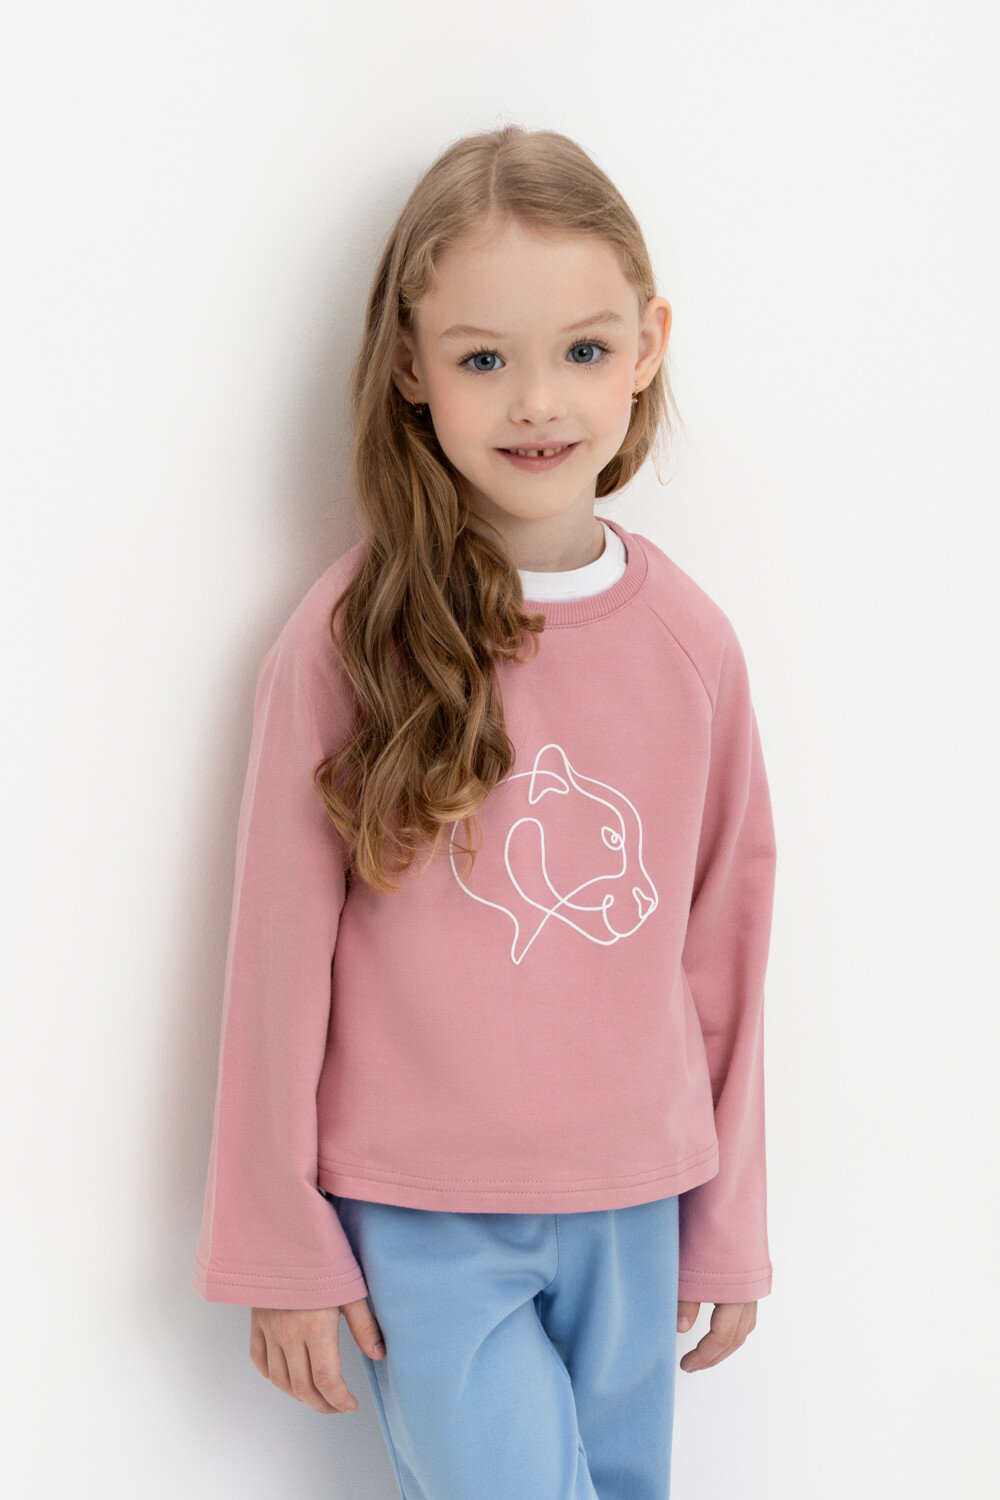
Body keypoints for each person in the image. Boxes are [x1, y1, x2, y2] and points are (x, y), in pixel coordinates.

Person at [191, 123, 778, 1500]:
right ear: (410, 365)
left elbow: (727, 948)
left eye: (582, 349)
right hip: (423, 1215)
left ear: (648, 346)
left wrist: (728, 1218)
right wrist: (278, 1236)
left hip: (635, 1204)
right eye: (482, 360)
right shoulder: (348, 639)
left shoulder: (692, 644)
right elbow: (277, 956)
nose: (538, 402)